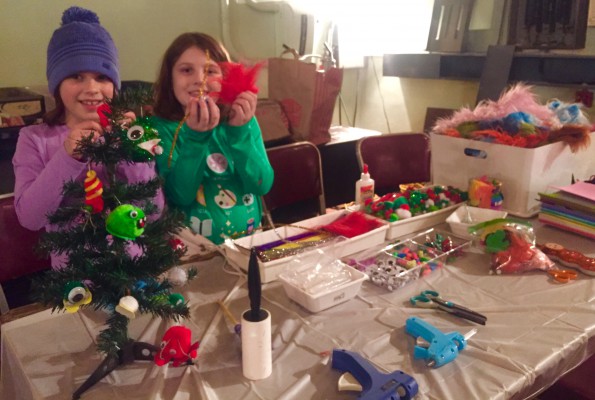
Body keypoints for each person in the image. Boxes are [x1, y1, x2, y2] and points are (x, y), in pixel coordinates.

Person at [12, 6, 164, 268]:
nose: (92, 89)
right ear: (57, 83)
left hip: (132, 272)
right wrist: (68, 157)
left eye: (102, 77)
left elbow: (152, 212)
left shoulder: (129, 132)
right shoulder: (34, 138)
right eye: (76, 76)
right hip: (76, 281)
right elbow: (30, 217)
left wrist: (134, 153)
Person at [153, 32, 274, 245]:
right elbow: (180, 195)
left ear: (226, 78)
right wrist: (196, 138)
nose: (199, 80)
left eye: (210, 71)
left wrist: (240, 133)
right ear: (170, 78)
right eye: (186, 70)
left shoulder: (242, 121)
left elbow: (261, 184)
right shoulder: (160, 129)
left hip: (249, 244)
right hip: (192, 254)